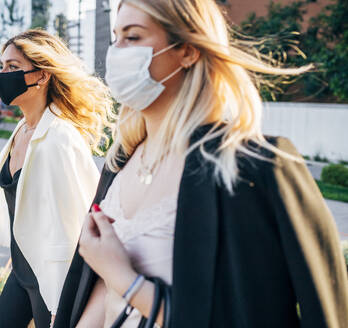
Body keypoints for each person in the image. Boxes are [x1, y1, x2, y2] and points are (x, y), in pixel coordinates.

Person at [53, 1, 348, 327]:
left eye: (133, 37)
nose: (116, 52)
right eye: (116, 38)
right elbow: (99, 298)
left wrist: (125, 278)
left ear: (188, 51)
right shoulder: (119, 163)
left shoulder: (250, 169)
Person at [0, 29, 113, 328]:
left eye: (13, 67)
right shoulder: (22, 129)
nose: (3, 75)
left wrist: (64, 300)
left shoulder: (60, 137)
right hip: (22, 270)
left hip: (53, 279)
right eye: (2, 66)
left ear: (41, 76)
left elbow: (80, 219)